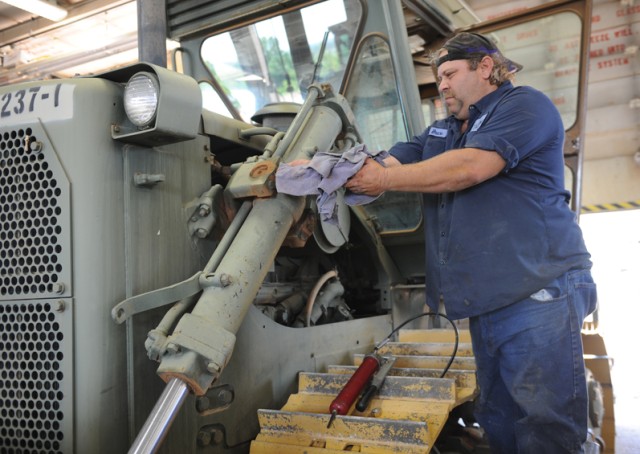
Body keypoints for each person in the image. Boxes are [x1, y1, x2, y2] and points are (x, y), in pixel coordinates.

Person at [345, 32, 597, 453]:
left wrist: (384, 180)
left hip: (539, 292)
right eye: (438, 77)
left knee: (544, 428)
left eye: (449, 73)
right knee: (498, 420)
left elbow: (471, 167)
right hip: (488, 302)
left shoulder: (524, 106)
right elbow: (393, 159)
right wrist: (330, 169)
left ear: (485, 67)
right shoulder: (444, 131)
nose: (441, 85)